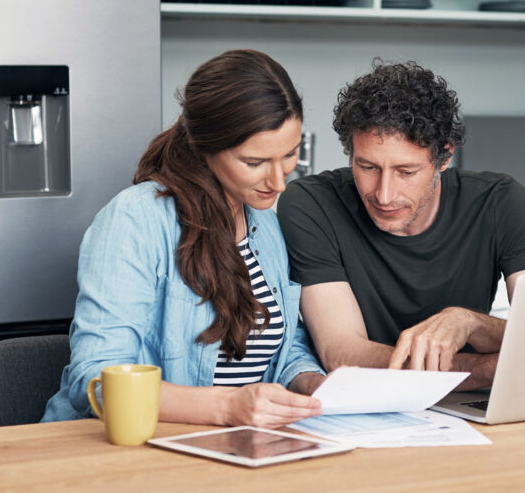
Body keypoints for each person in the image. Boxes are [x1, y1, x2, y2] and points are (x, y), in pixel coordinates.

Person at [43, 49, 325, 429]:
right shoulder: (136, 219)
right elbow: (97, 379)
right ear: (206, 147)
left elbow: (281, 346)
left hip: (232, 449)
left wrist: (310, 381)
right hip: (130, 451)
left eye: (289, 155)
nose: (278, 182)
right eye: (254, 163)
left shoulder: (263, 222)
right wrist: (227, 407)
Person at [276, 60, 525, 389]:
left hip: (464, 405)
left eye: (406, 172)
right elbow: (342, 352)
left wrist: (471, 323)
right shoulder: (312, 204)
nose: (384, 194)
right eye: (367, 167)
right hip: (365, 401)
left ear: (445, 157)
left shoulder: (501, 203)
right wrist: (485, 371)